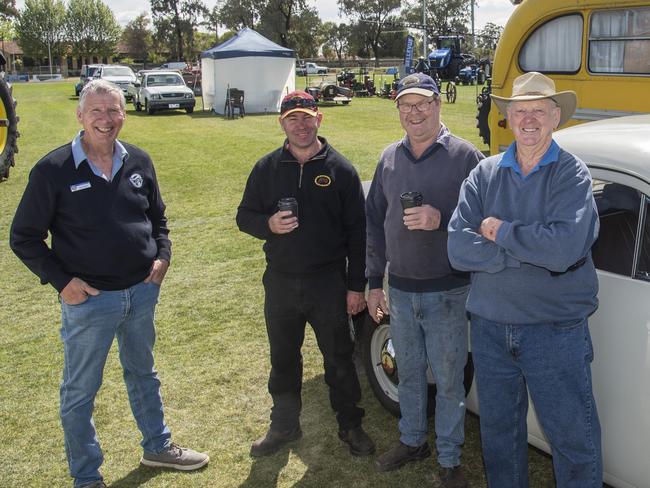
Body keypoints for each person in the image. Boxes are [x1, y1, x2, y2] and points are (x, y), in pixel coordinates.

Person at [10, 79, 209, 488]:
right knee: (80, 391)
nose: (106, 119)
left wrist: (162, 258)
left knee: (143, 373)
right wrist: (62, 282)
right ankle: (86, 477)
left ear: (124, 113)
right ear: (80, 116)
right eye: (97, 111)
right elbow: (24, 237)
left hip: (141, 293)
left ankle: (157, 446)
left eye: (114, 110)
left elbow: (159, 220)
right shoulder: (53, 170)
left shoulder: (139, 160)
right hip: (90, 302)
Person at [448, 71, 602, 487]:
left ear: (556, 118)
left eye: (539, 111)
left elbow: (564, 249)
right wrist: (527, 255)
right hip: (490, 328)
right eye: (521, 111)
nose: (529, 120)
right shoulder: (484, 173)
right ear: (508, 118)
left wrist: (499, 232)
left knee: (573, 439)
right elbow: (458, 248)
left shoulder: (572, 175)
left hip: (554, 330)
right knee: (499, 435)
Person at [236, 91, 375, 458]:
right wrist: (267, 224)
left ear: (319, 119)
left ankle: (350, 424)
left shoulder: (341, 170)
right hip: (280, 280)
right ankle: (284, 426)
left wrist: (355, 286)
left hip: (327, 281)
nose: (300, 125)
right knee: (283, 358)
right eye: (292, 118)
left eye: (306, 117)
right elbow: (243, 217)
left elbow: (358, 234)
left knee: (339, 358)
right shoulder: (267, 168)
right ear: (281, 123)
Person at [366, 72, 484, 487]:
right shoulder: (388, 159)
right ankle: (413, 440)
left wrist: (442, 220)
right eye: (405, 105)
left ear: (438, 104)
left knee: (450, 381)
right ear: (398, 109)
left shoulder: (466, 157)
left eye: (422, 104)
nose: (414, 112)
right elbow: (374, 224)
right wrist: (373, 280)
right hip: (399, 289)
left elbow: (483, 224)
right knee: (410, 373)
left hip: (448, 290)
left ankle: (450, 461)